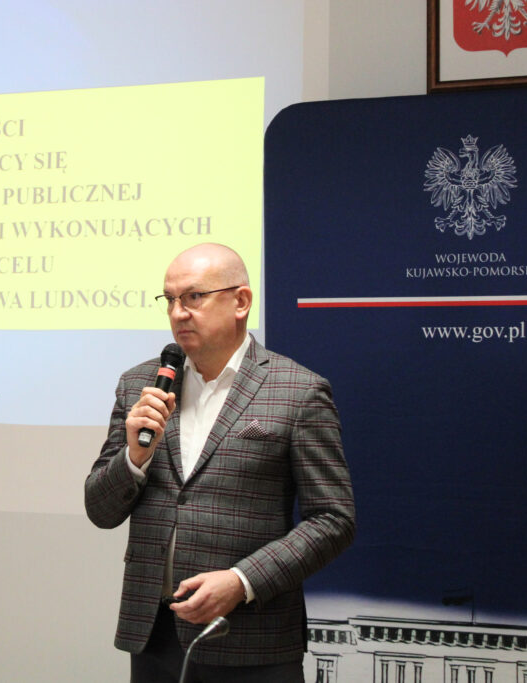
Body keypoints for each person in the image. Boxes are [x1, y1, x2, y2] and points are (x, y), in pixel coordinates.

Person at [84, 243, 355, 682]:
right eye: (170, 299)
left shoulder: (299, 391)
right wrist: (135, 456)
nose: (178, 313)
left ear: (241, 302)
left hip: (252, 637)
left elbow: (333, 519)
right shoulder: (140, 384)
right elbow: (100, 510)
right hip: (155, 636)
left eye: (193, 297)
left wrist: (242, 581)